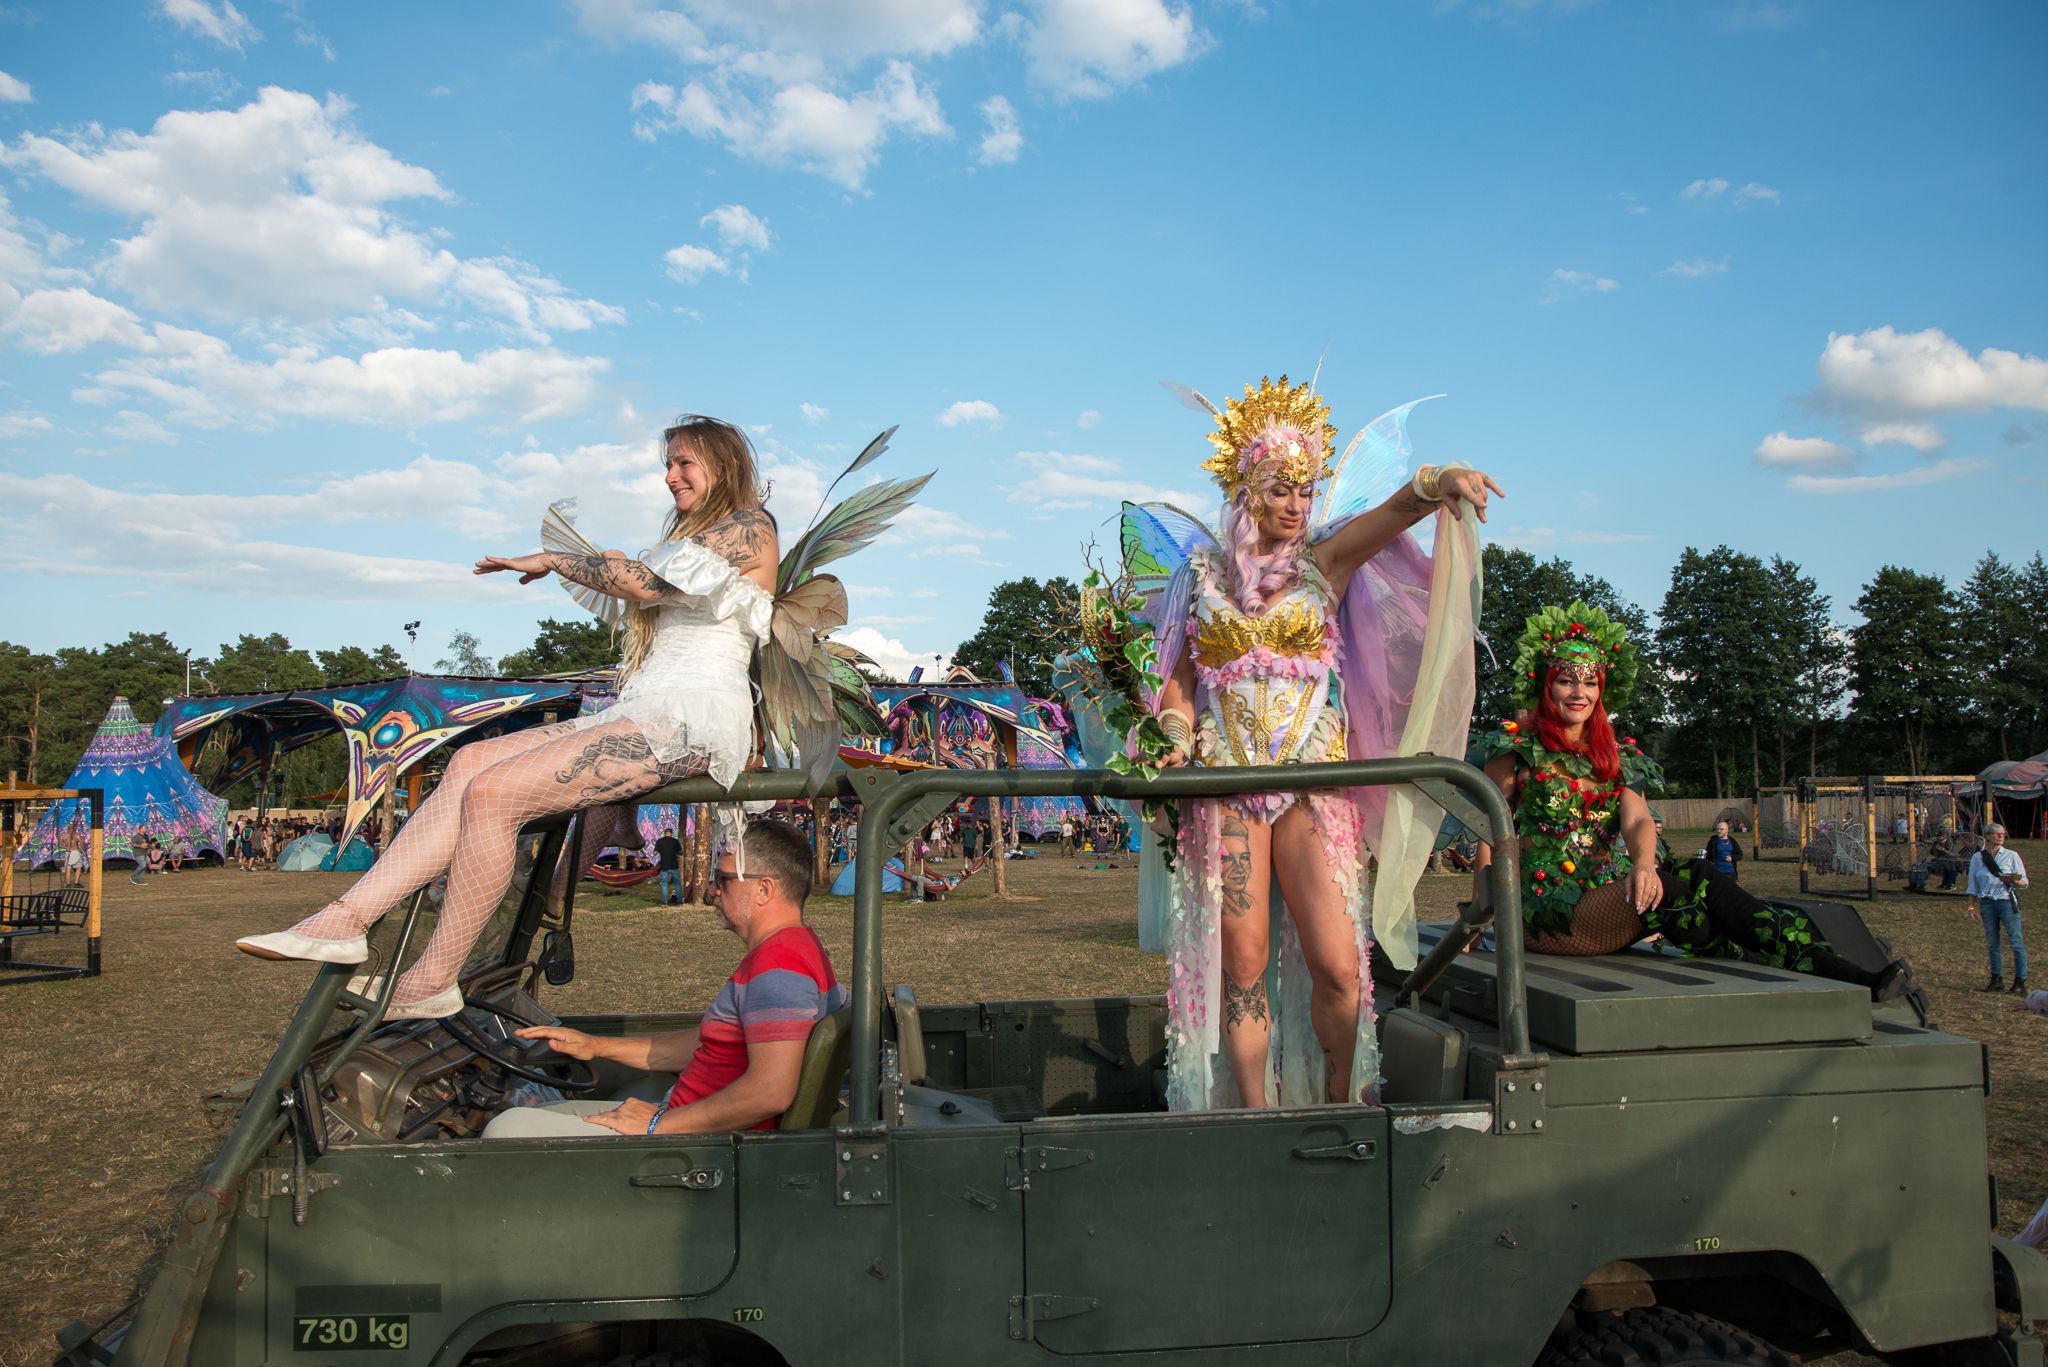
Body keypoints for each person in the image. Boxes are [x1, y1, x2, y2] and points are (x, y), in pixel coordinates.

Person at [238, 417, 789, 1019]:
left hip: (695, 718)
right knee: (469, 761)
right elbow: (644, 591)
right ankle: (347, 918)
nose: (670, 477)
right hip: (649, 706)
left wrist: (558, 558)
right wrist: (600, 563)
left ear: (723, 464)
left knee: (495, 793)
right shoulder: (697, 540)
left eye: (684, 463)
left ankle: (434, 978)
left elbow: (646, 584)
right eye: (668, 464)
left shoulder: (751, 527)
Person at [1143, 376, 1498, 1110]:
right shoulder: (1200, 578)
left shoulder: (1323, 565)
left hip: (1314, 788)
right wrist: (1173, 733)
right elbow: (1178, 680)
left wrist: (1438, 481)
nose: (1296, 505)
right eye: (1280, 489)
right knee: (1243, 966)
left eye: (1305, 490)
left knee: (1338, 963)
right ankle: (1254, 1117)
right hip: (1225, 788)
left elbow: (1395, 514)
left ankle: (1341, 1105)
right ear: (1246, 488)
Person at [1473, 603, 1903, 996]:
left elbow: (1638, 821)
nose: (1578, 693)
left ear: (1602, 690)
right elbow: (1488, 834)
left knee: (1695, 876)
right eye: (1566, 681)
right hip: (1544, 912)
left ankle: (1841, 972)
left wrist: (1644, 864)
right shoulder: (1517, 753)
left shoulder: (1616, 758)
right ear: (1546, 686)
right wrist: (1478, 915)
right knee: (1678, 892)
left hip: (1606, 890)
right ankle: (1792, 959)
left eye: (1589, 682)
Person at [484, 822, 843, 1137]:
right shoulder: (791, 949)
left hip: (695, 1147)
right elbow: (706, 1044)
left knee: (506, 1127)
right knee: (543, 1113)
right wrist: (596, 1046)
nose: (712, 890)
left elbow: (771, 1091)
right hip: (682, 1124)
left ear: (764, 890)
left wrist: (659, 1124)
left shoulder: (778, 968)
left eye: (723, 879)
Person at [1966, 823, 2029, 993]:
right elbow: (1972, 885)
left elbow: (2024, 882)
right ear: (1987, 836)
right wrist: (1971, 907)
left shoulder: (2011, 856)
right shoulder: (1978, 858)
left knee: (2016, 941)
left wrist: (2015, 880)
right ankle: (1996, 980)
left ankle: (2020, 982)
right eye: (1996, 833)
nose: (2001, 836)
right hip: (1987, 903)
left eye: (2002, 833)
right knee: (1993, 942)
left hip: (2006, 902)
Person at [654, 824, 684, 905]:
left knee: (664, 884)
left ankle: (664, 901)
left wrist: (660, 851)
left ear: (665, 834)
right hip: (674, 865)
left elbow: (655, 852)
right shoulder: (675, 841)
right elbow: (681, 852)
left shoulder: (659, 841)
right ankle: (679, 901)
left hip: (664, 866)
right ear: (671, 834)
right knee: (677, 884)